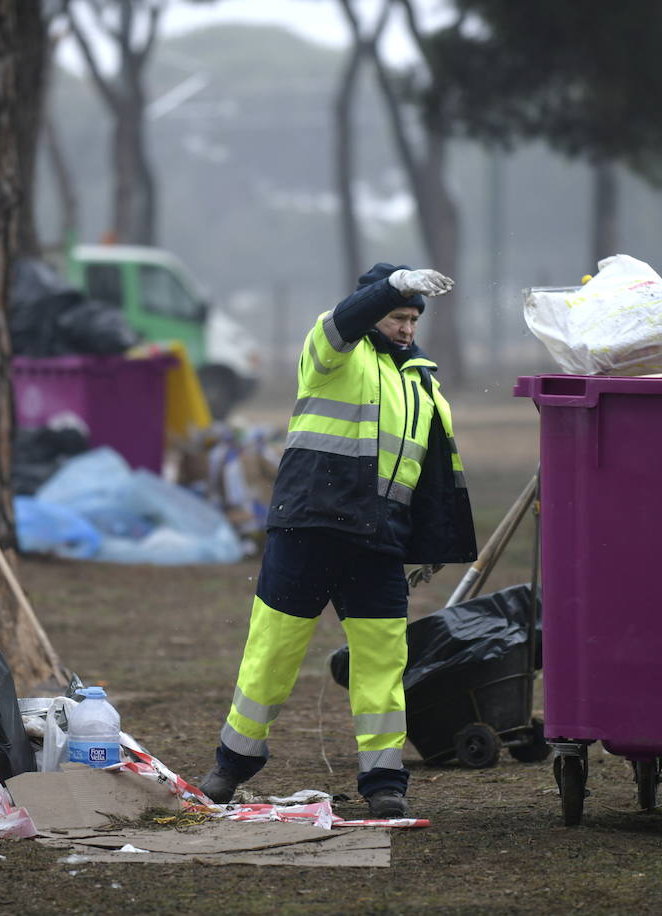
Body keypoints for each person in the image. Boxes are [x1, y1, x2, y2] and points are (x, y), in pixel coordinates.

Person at [199, 262, 478, 818]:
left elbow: (432, 476)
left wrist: (426, 546)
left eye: (412, 319)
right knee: (273, 649)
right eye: (397, 316)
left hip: (378, 542)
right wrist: (392, 286)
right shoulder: (333, 351)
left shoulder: (423, 385)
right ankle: (231, 765)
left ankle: (383, 782)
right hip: (310, 528)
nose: (405, 328)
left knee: (382, 661)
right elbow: (343, 322)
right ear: (375, 310)